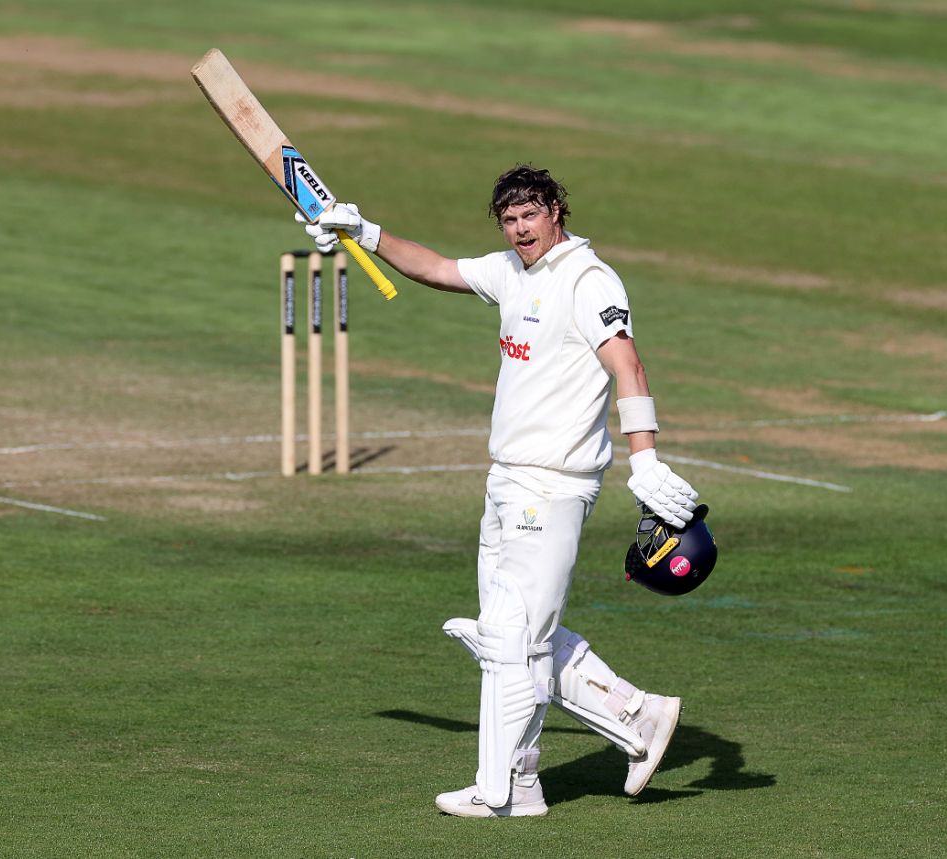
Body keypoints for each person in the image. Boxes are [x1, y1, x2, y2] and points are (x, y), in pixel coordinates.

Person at [299, 165, 700, 818]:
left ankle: (504, 790)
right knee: (509, 635)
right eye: (510, 220)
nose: (520, 230)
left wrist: (645, 460)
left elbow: (626, 361)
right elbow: (437, 268)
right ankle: (627, 719)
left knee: (514, 638)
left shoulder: (586, 279)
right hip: (507, 478)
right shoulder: (514, 273)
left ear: (556, 211)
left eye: (530, 216)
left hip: (554, 482)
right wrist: (364, 231)